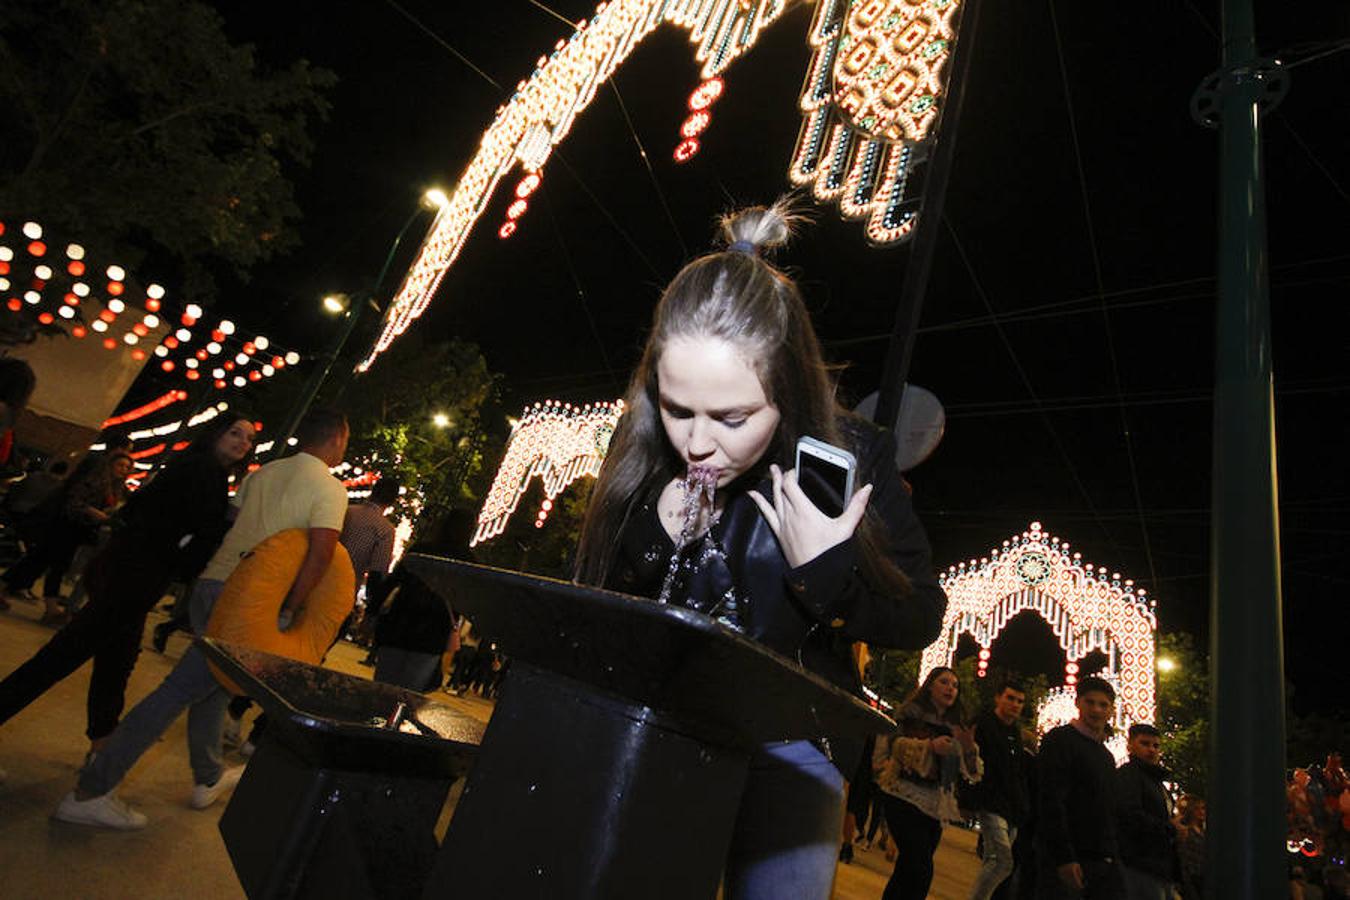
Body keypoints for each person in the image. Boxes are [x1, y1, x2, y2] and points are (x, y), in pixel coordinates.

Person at [571, 199, 947, 898]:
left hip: (795, 747)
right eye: (679, 409)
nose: (699, 441)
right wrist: (658, 527)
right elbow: (595, 596)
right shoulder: (646, 445)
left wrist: (827, 579)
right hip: (664, 727)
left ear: (790, 389)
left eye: (733, 416)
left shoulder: (850, 454)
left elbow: (921, 615)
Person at [52, 408, 349, 829]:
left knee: (214, 684)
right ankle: (90, 790)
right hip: (251, 601)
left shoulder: (263, 474)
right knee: (179, 690)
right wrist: (290, 607)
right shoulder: (331, 489)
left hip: (212, 585)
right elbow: (321, 554)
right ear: (336, 439)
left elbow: (229, 524)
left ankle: (207, 777)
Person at [0, 416, 255, 759]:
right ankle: (99, 756)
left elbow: (143, 510)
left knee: (115, 664)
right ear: (215, 433)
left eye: (249, 439)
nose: (242, 442)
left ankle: (102, 748)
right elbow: (188, 534)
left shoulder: (204, 470)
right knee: (62, 657)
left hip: (133, 576)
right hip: (134, 577)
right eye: (235, 433)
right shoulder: (203, 471)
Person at [873, 666, 982, 900]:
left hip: (935, 805)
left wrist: (968, 748)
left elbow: (971, 773)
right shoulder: (910, 713)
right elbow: (892, 744)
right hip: (903, 795)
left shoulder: (958, 727)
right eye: (944, 682)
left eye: (955, 685)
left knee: (907, 870)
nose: (950, 688)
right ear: (930, 685)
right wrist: (929, 747)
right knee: (920, 868)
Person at [2, 448, 131, 624]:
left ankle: (10, 591)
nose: (123, 469)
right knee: (54, 566)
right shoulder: (95, 481)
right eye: (120, 464)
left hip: (76, 530)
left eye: (126, 466)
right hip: (65, 526)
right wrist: (94, 512)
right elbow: (74, 502)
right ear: (110, 465)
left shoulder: (116, 489)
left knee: (37, 562)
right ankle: (51, 609)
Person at [1036, 676, 1125, 900]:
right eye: (1090, 702)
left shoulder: (1106, 757)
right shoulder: (1059, 740)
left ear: (1111, 710)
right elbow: (1051, 800)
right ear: (1078, 703)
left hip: (1100, 860)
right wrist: (1064, 857)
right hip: (1067, 859)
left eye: (1103, 705)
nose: (1096, 710)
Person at [967, 680, 1031, 900]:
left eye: (1020, 701)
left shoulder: (1015, 732)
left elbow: (1017, 770)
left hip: (1011, 806)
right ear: (998, 698)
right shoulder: (983, 724)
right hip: (990, 800)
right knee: (1002, 860)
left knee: (994, 860)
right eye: (1010, 698)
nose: (1015, 704)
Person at [369, 546, 458, 692]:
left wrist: (372, 612)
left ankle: (379, 711)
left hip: (399, 625)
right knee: (411, 691)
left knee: (384, 686)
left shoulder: (420, 551)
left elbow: (392, 582)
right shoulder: (463, 560)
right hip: (431, 635)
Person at [1114, 724, 1176, 900]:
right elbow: (1130, 814)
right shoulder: (1129, 776)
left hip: (1157, 865)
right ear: (1130, 745)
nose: (1151, 750)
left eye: (1156, 746)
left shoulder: (1155, 782)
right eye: (1145, 744)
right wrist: (1169, 828)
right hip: (1139, 863)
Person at [1171, 795, 1205, 900]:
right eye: (1198, 808)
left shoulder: (1203, 832)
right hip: (1191, 878)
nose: (1202, 812)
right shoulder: (1186, 832)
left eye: (1203, 808)